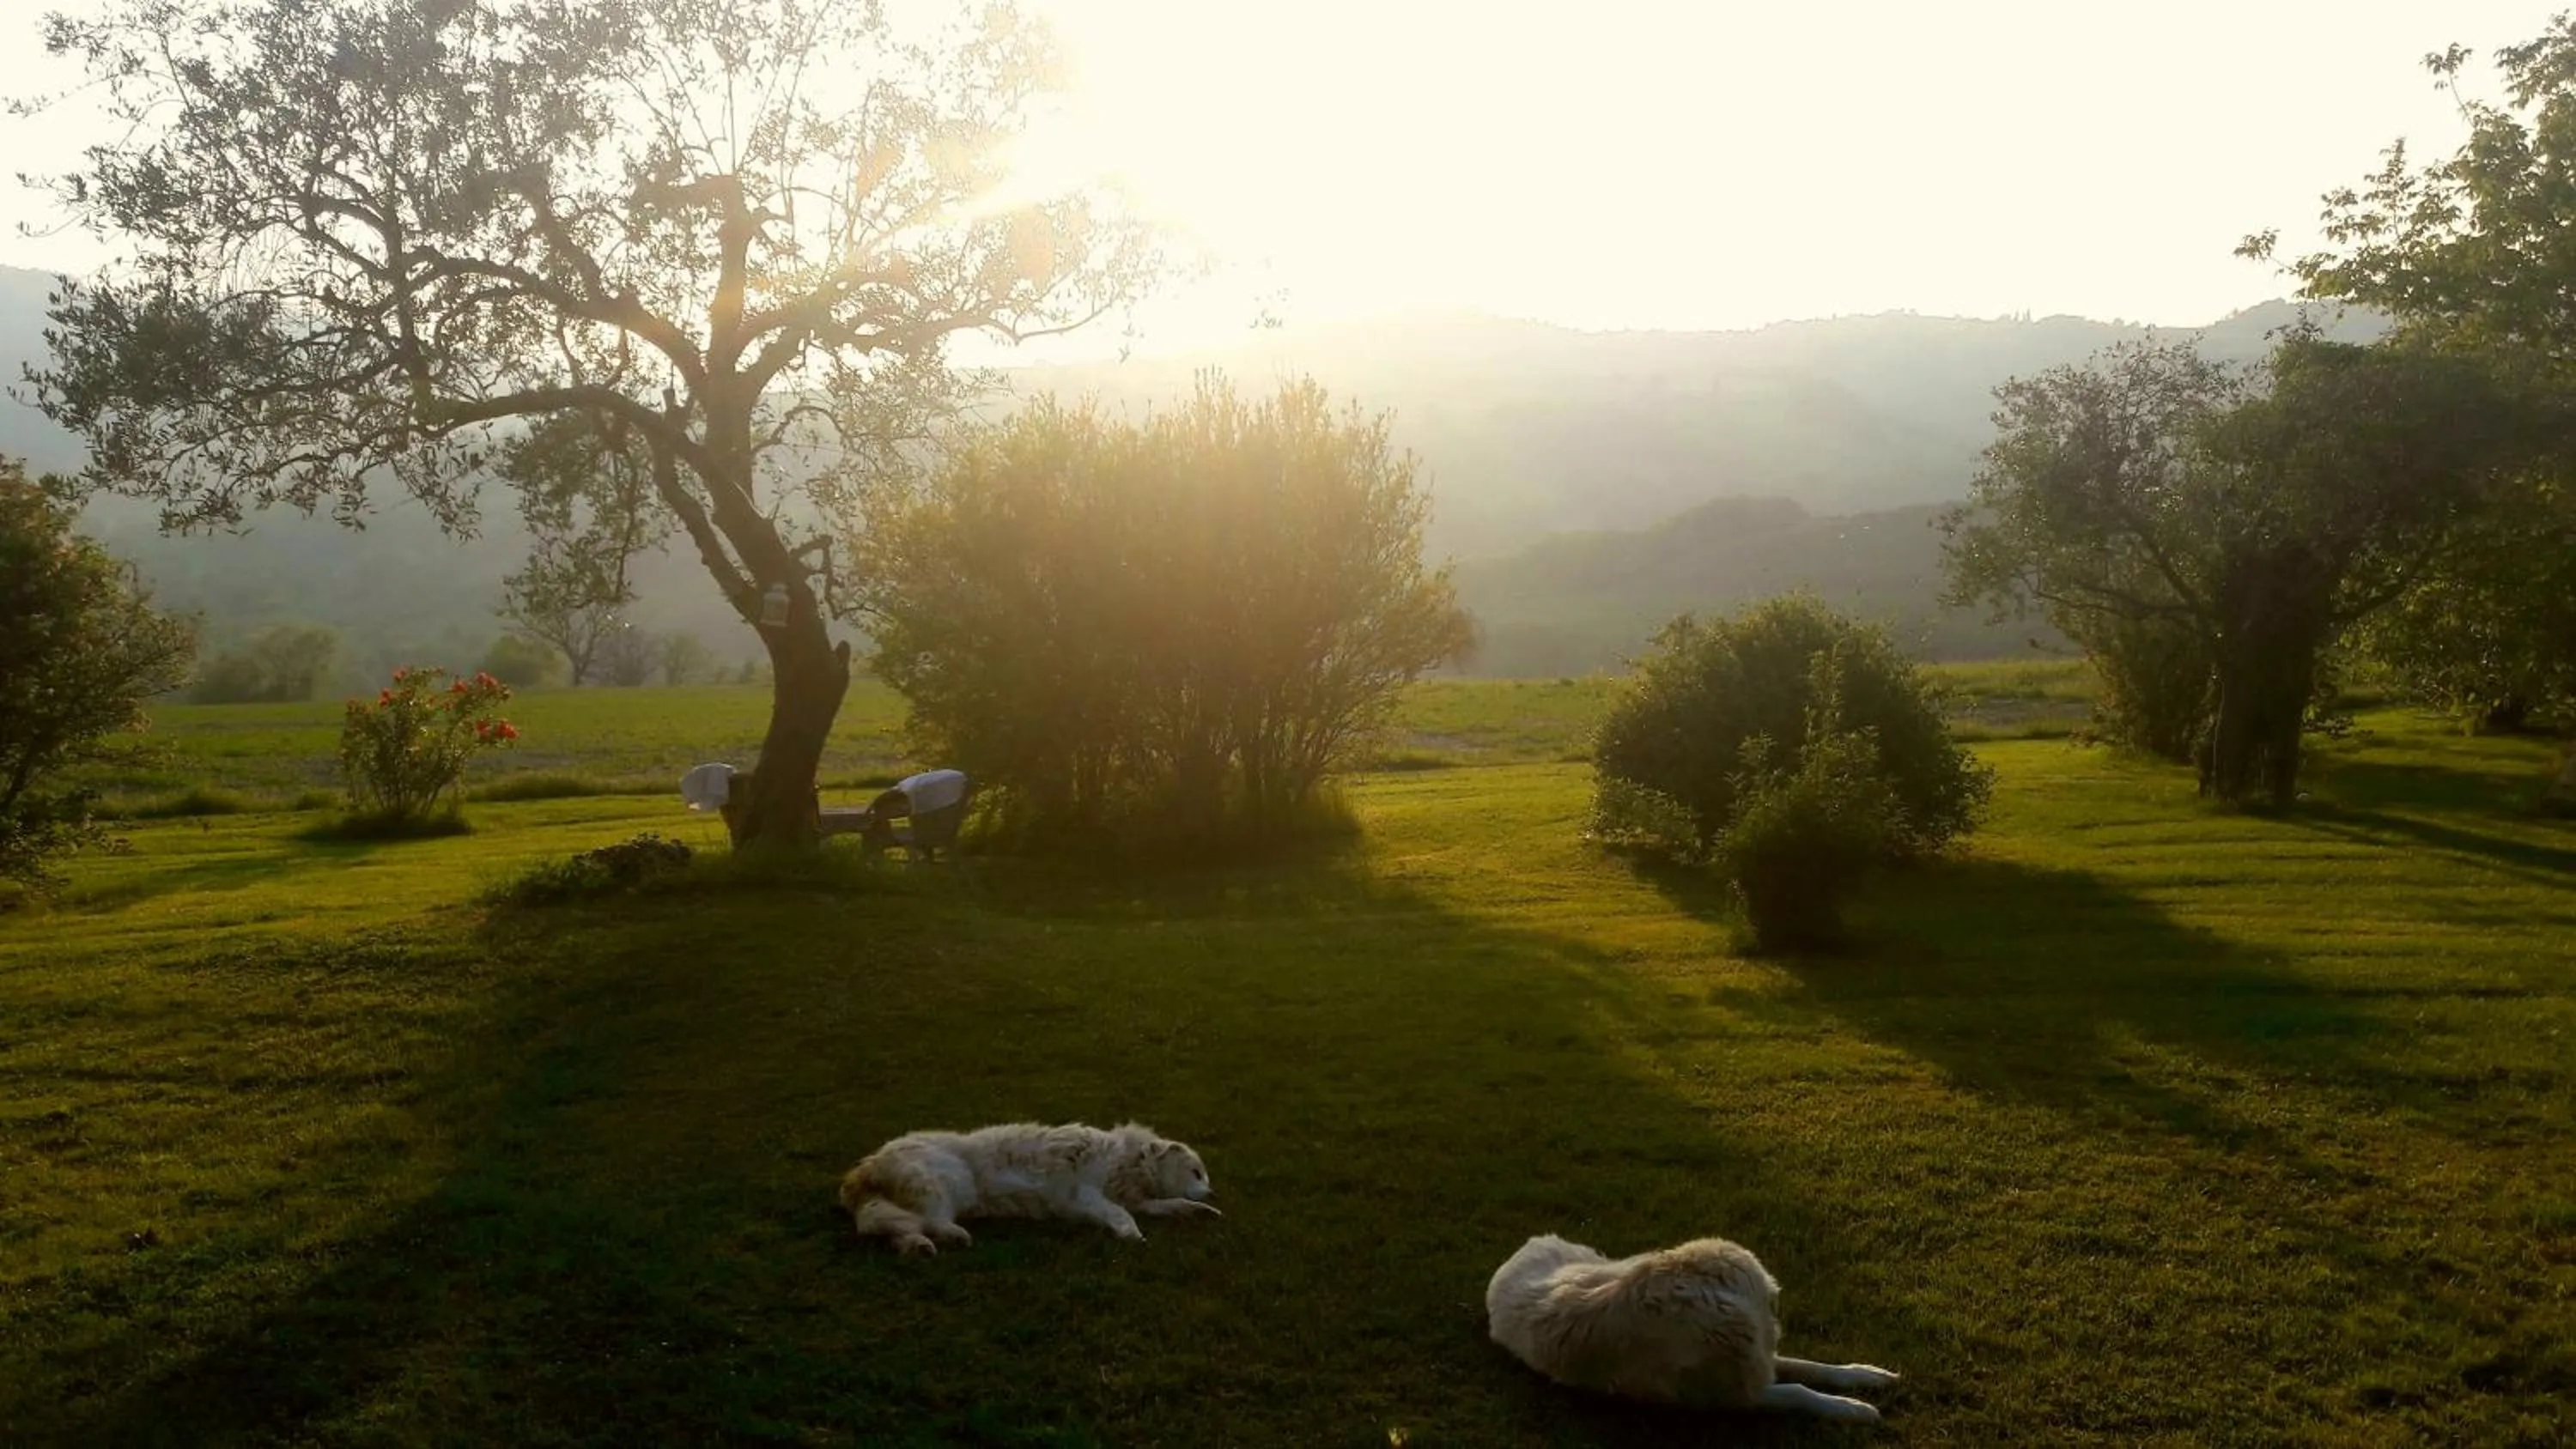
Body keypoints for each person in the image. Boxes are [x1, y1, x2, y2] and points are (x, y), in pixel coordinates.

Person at [860, 768, 972, 860]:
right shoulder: (925, 799)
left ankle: (872, 862)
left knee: (873, 833)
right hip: (936, 827)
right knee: (878, 826)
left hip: (929, 832)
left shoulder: (921, 804)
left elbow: (919, 830)